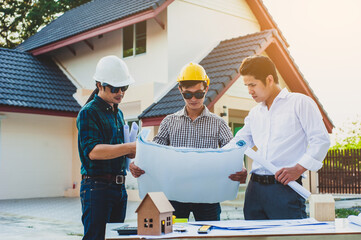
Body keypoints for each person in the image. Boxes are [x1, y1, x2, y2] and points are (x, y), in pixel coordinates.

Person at [130, 62, 247, 221]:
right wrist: (138, 164)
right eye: (187, 94)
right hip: (175, 197)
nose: (193, 99)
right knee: (174, 236)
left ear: (206, 89)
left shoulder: (219, 123)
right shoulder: (169, 122)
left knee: (208, 237)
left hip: (208, 198)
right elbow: (154, 153)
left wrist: (241, 168)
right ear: (180, 90)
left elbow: (233, 152)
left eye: (198, 94)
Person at [227, 55, 330, 220]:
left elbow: (320, 140)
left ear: (269, 79)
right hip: (254, 190)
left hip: (285, 188)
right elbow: (239, 142)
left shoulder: (300, 103)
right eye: (246, 86)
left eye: (252, 85)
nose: (249, 91)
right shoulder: (255, 113)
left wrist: (299, 168)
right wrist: (237, 164)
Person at [77, 55, 136, 240]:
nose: (121, 92)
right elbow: (93, 152)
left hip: (119, 187)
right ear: (99, 84)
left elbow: (119, 150)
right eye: (115, 88)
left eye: (124, 87)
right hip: (97, 188)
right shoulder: (89, 113)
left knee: (115, 238)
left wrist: (132, 160)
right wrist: (128, 147)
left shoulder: (118, 113)